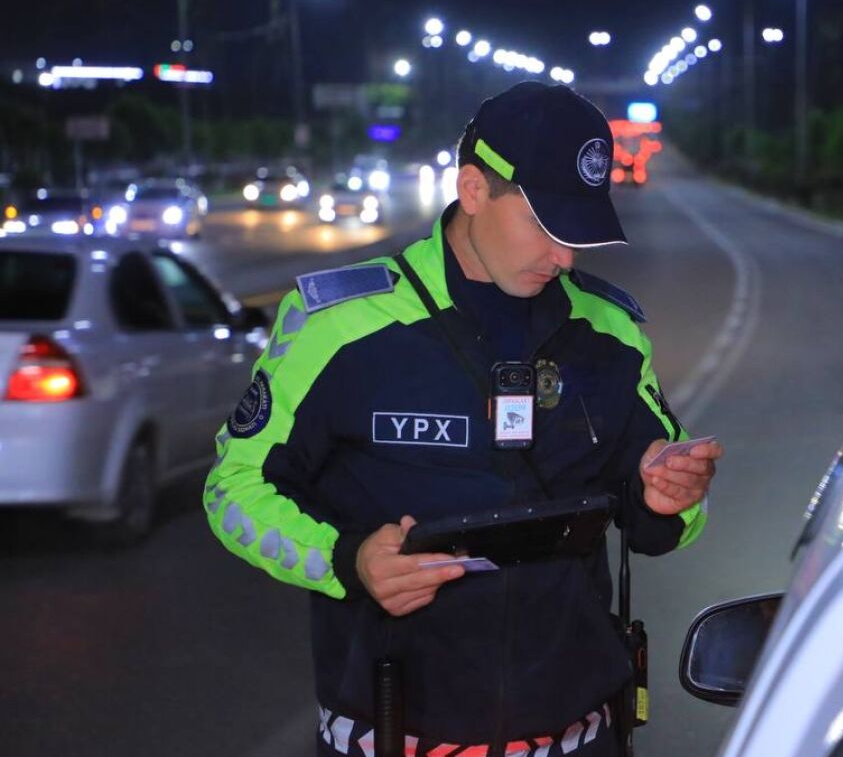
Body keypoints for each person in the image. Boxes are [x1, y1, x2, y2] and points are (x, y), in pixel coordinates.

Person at [203, 81, 722, 756]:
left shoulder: (611, 333)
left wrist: (672, 496)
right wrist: (346, 560)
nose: (564, 257)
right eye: (544, 225)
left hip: (579, 738)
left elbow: (667, 512)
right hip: (393, 735)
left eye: (578, 232)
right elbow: (232, 488)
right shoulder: (340, 327)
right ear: (473, 188)